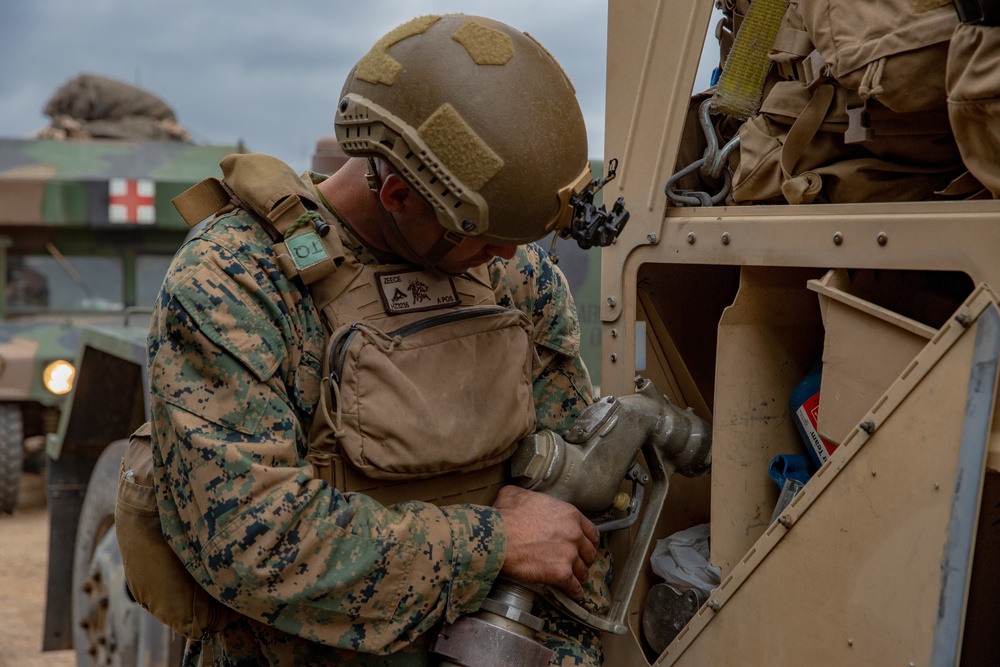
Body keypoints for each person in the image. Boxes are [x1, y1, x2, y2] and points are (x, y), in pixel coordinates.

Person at [148, 14, 610, 666]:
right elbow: (252, 540)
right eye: (483, 236)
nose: (505, 253)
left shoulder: (515, 277)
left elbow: (567, 502)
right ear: (397, 194)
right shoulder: (237, 279)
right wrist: (491, 543)